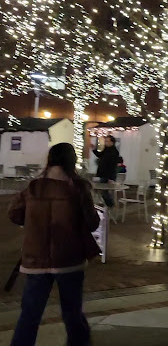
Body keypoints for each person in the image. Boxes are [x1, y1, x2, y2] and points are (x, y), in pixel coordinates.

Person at [8, 142, 100, 346]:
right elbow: (92, 223)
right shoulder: (78, 188)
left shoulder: (34, 187)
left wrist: (33, 221)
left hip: (36, 260)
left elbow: (14, 214)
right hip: (69, 258)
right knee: (72, 312)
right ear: (72, 161)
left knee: (30, 315)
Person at [91, 135, 119, 207]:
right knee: (102, 191)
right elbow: (100, 155)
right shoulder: (106, 150)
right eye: (105, 141)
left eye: (107, 141)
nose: (105, 143)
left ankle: (110, 205)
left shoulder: (114, 152)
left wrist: (111, 178)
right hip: (102, 174)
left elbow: (112, 166)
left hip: (107, 176)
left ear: (112, 142)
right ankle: (107, 206)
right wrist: (94, 149)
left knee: (105, 191)